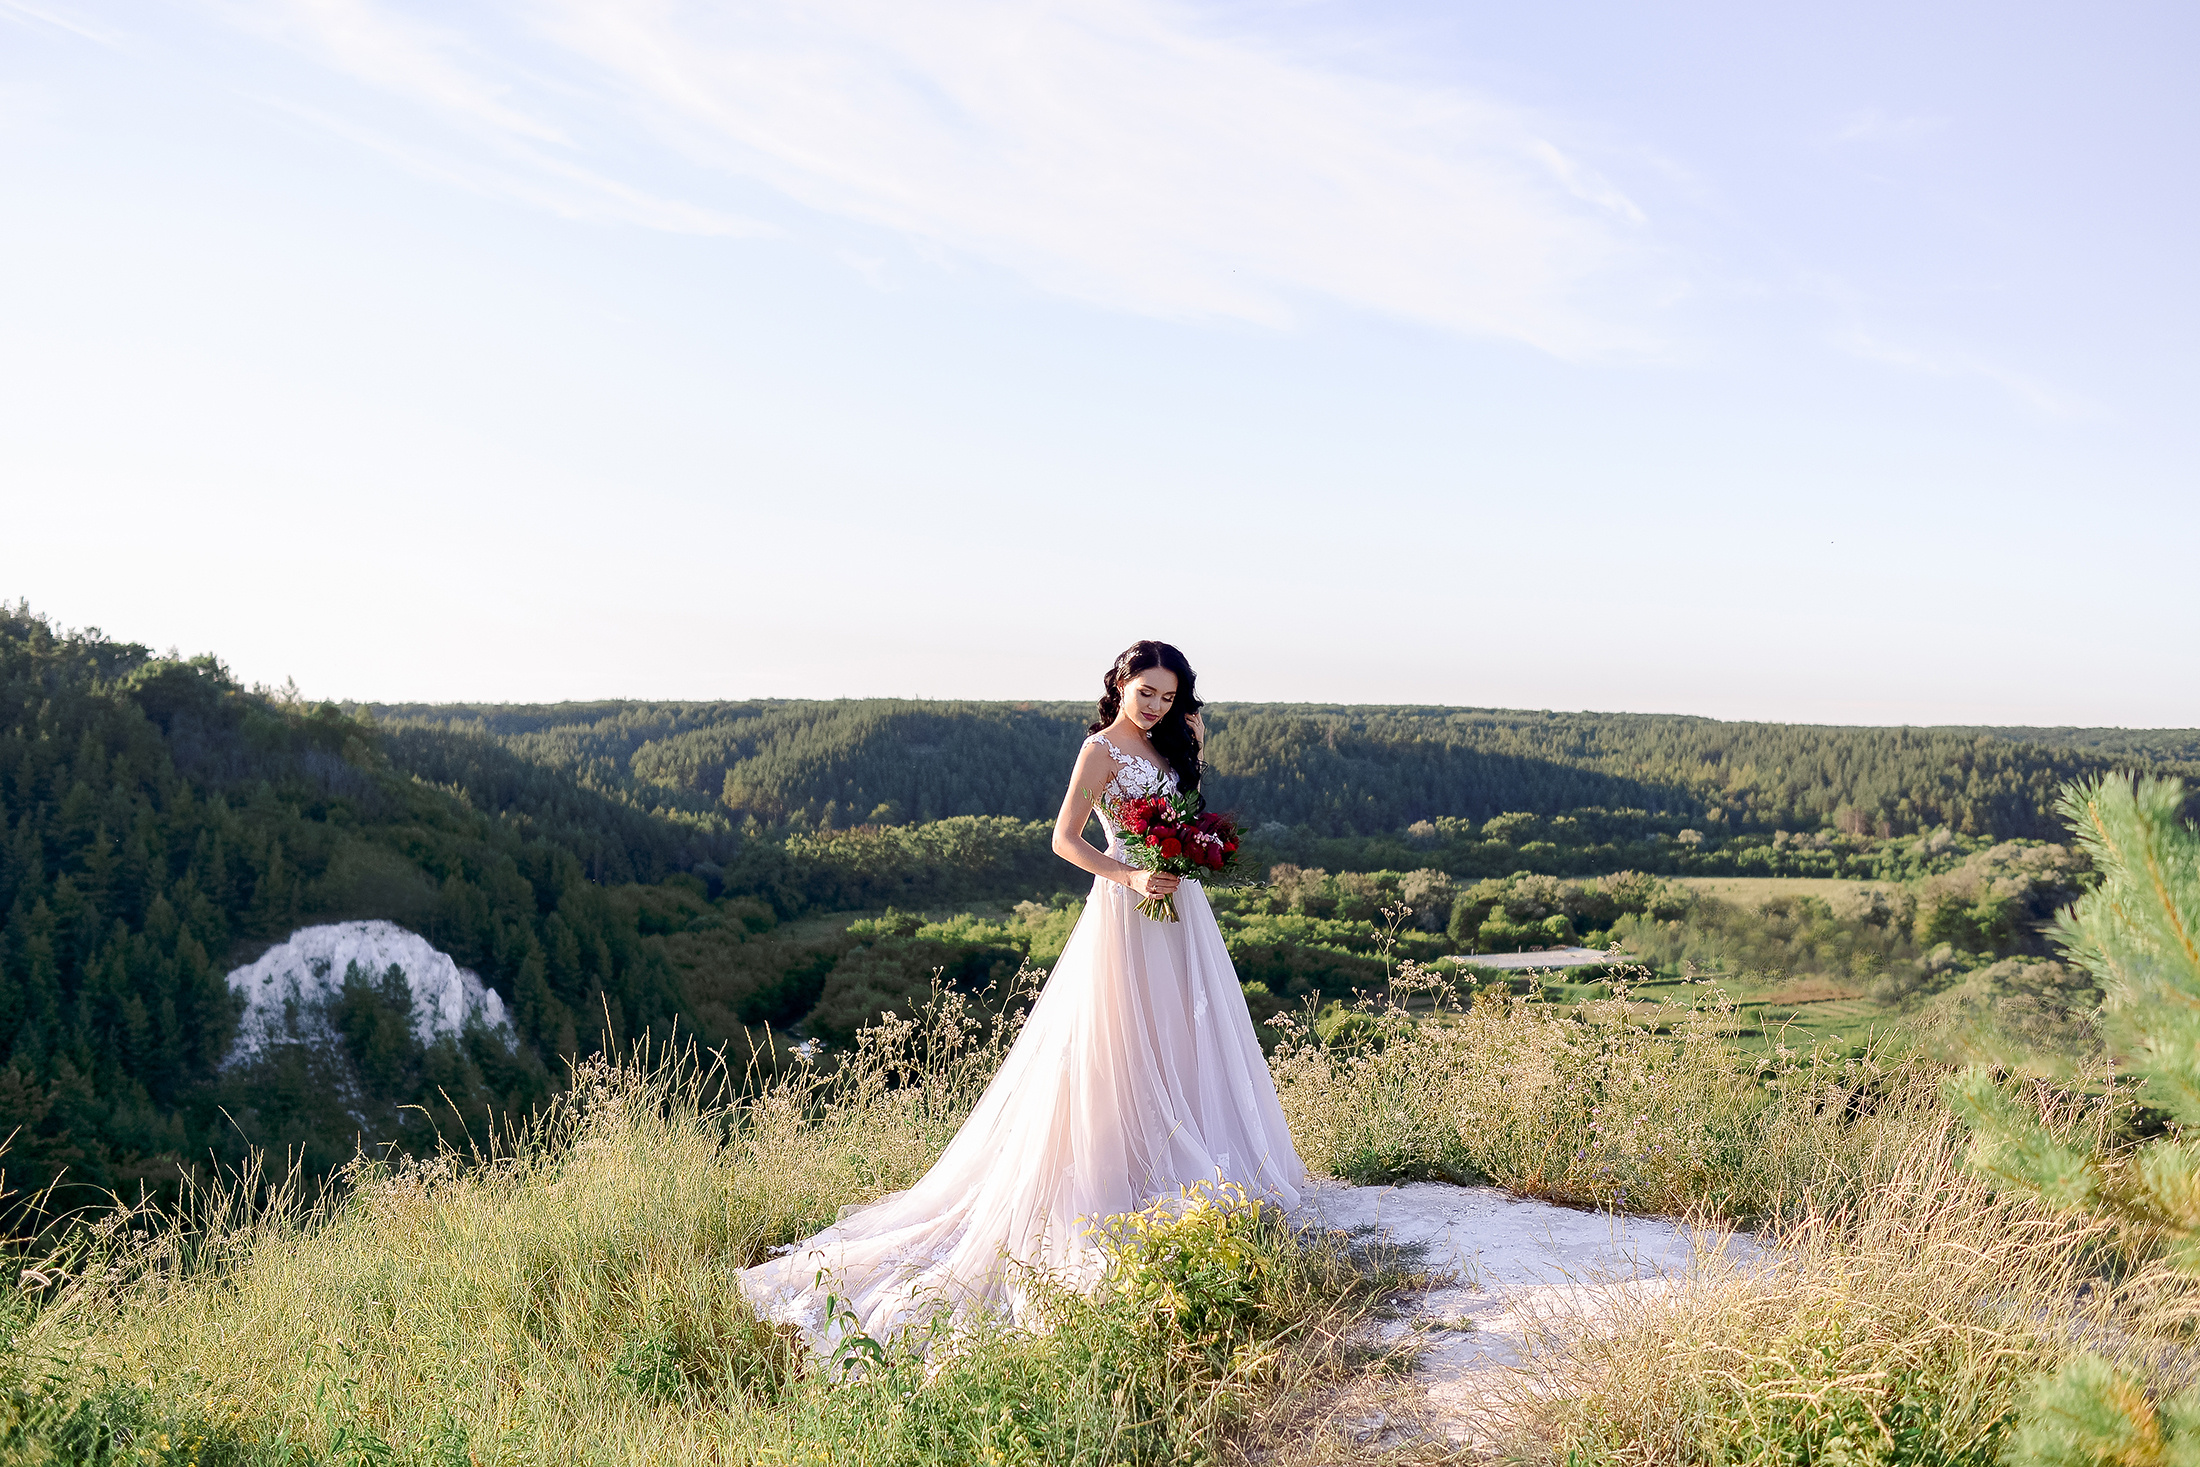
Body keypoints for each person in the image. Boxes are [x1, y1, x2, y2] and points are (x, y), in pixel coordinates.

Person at [736, 640, 1304, 1349]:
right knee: (1119, 1039)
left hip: (1180, 913)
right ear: (1119, 684)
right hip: (1127, 910)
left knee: (1186, 1035)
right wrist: (1130, 877)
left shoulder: (1173, 745)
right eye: (1146, 691)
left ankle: (1184, 1156)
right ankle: (1115, 1175)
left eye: (1168, 694)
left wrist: (1190, 841)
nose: (1156, 704)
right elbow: (1064, 839)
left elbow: (1182, 820)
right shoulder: (1099, 749)